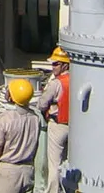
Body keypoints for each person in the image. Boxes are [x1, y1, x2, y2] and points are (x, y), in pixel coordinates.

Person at [0, 79, 40, 193]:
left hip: (8, 172)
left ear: (11, 97)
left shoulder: (3, 120)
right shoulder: (35, 119)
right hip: (28, 170)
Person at [38, 47, 70, 193]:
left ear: (64, 65)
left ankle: (53, 190)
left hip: (58, 125)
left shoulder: (56, 83)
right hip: (74, 126)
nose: (52, 67)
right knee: (69, 160)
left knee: (54, 163)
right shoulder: (77, 79)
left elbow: (42, 104)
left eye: (56, 64)